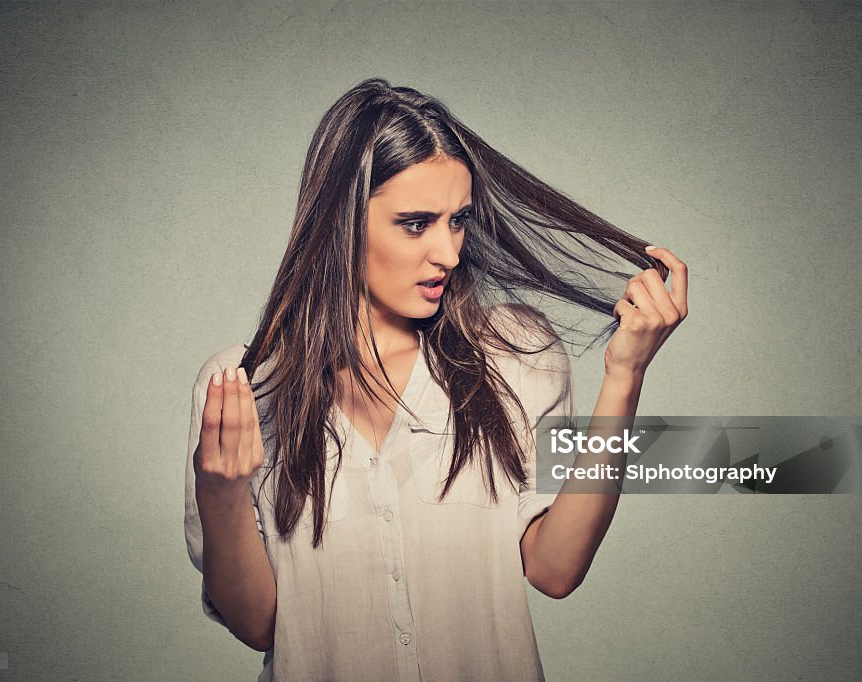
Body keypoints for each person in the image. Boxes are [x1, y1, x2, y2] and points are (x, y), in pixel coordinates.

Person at [184, 78, 688, 681]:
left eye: (458, 221)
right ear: (340, 223)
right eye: (416, 223)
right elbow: (261, 624)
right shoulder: (241, 386)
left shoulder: (517, 355)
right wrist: (219, 493)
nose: (449, 251)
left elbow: (555, 569)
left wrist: (625, 377)